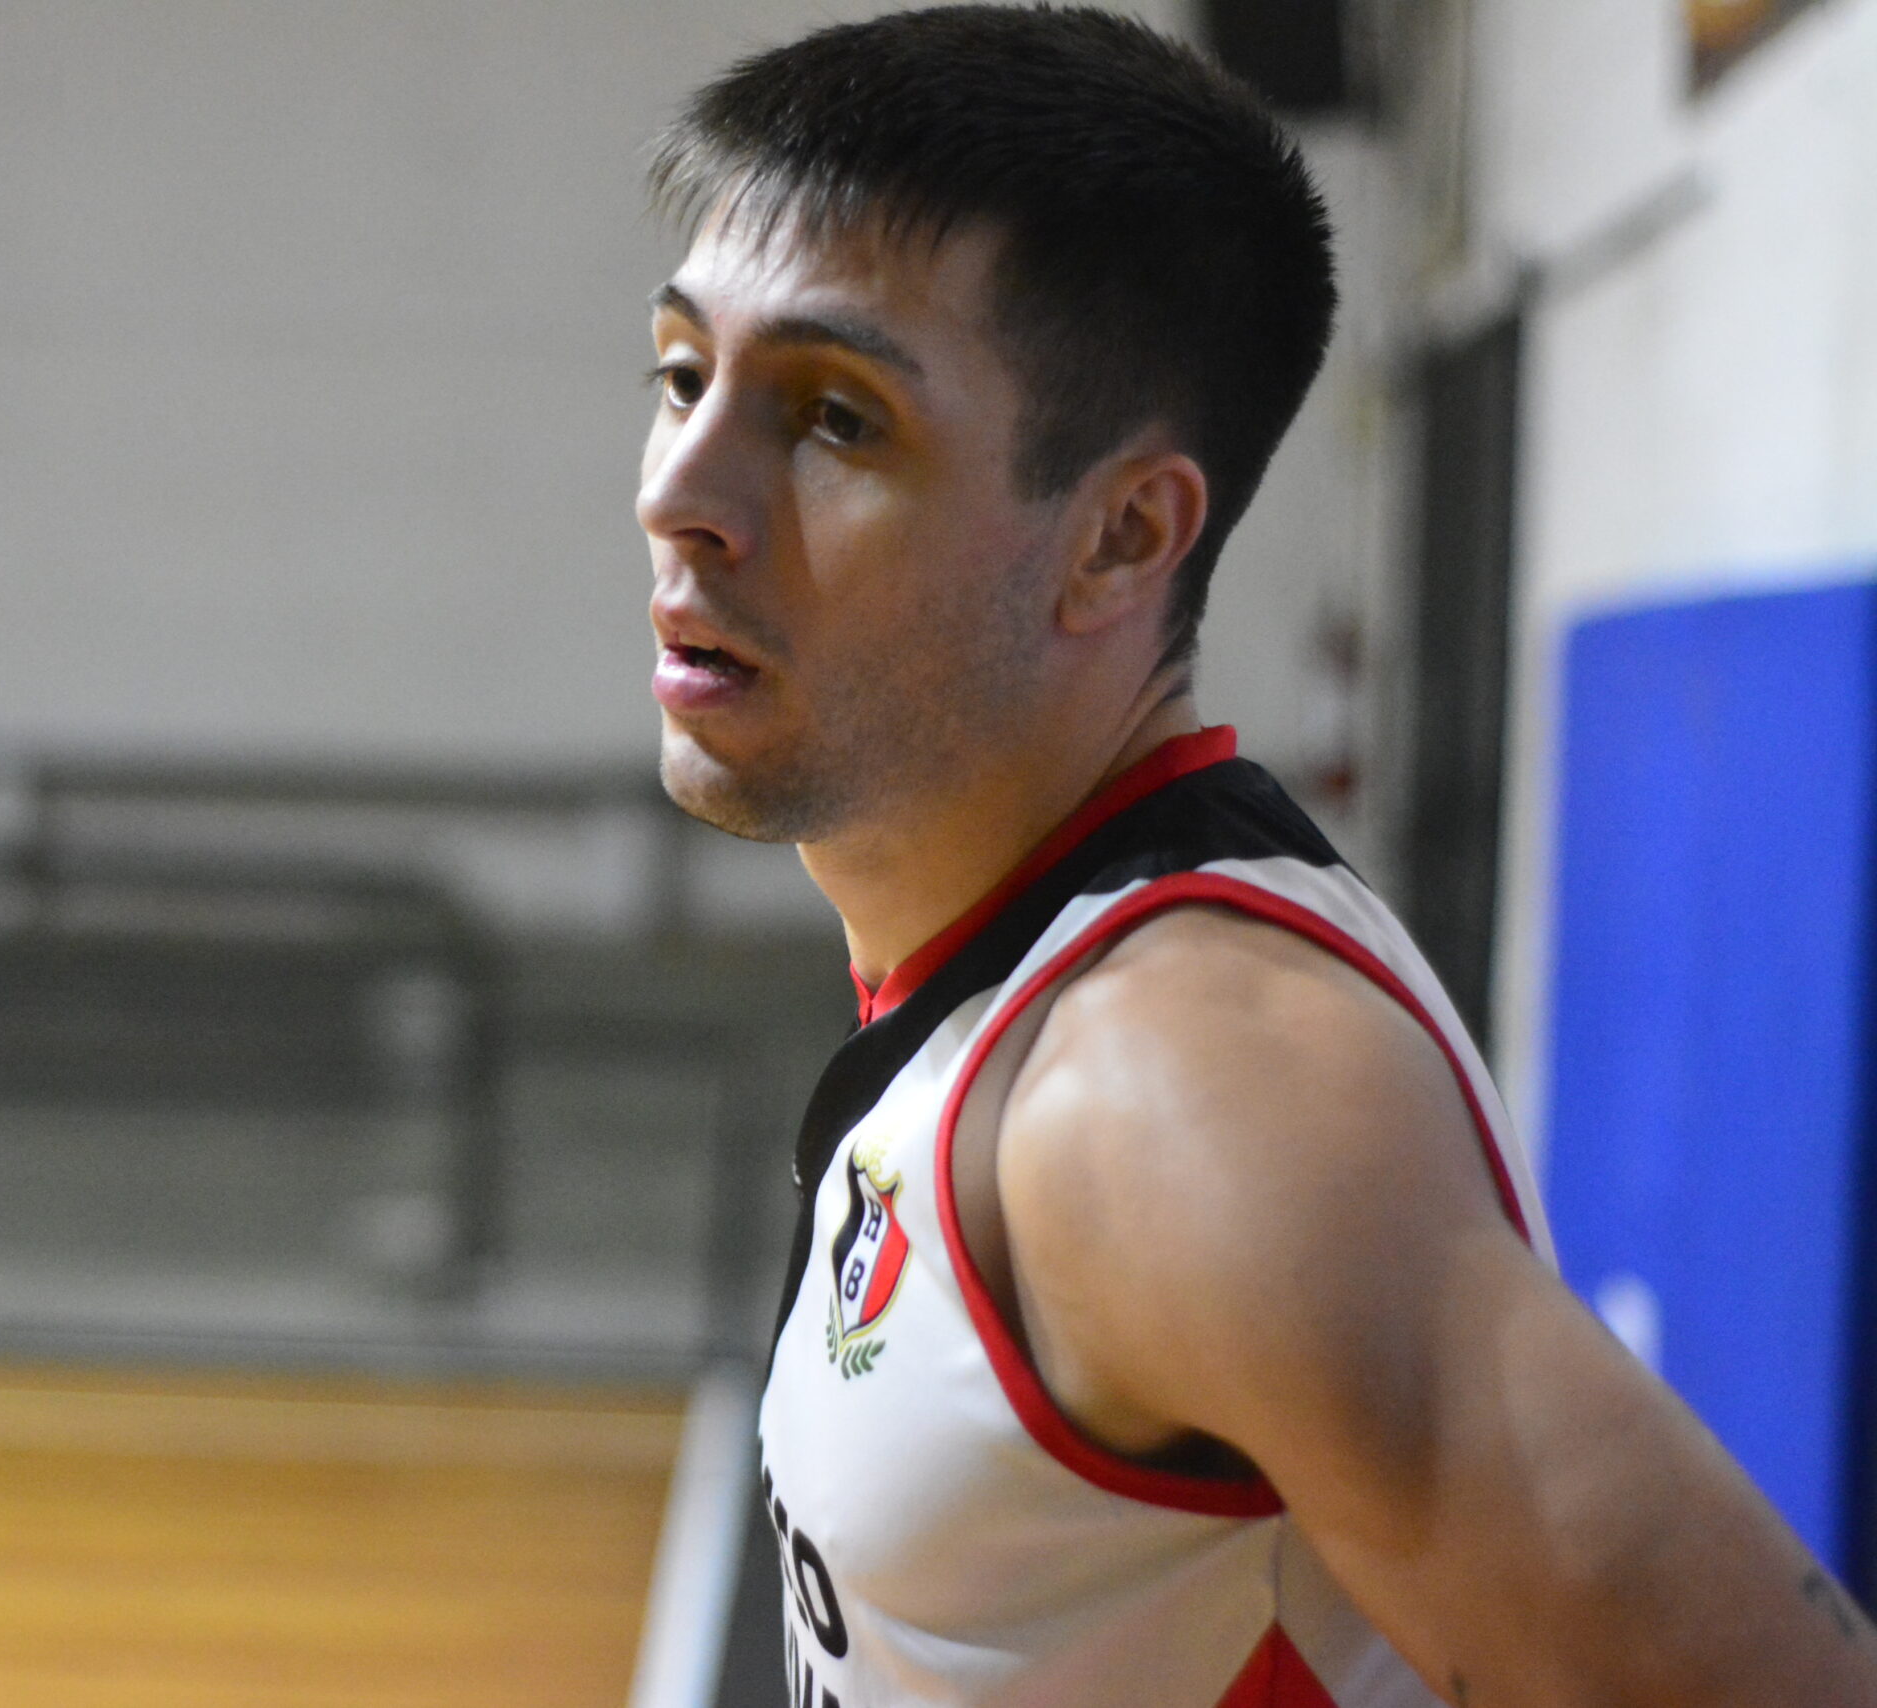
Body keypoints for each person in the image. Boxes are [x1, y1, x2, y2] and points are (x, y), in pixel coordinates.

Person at [635, 8, 1877, 1705]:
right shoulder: (1004, 987)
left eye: (837, 417)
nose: (683, 491)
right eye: (681, 375)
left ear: (1121, 536)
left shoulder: (1181, 1092)